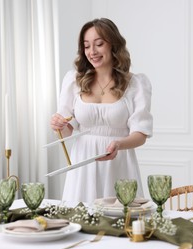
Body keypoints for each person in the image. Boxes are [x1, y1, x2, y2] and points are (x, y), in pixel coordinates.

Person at [50, 18, 153, 203]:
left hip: (119, 163)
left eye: (99, 44)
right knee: (81, 221)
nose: (92, 52)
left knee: (120, 224)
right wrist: (59, 124)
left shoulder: (136, 84)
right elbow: (67, 132)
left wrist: (118, 144)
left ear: (113, 46)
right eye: (87, 46)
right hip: (83, 165)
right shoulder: (74, 81)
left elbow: (141, 134)